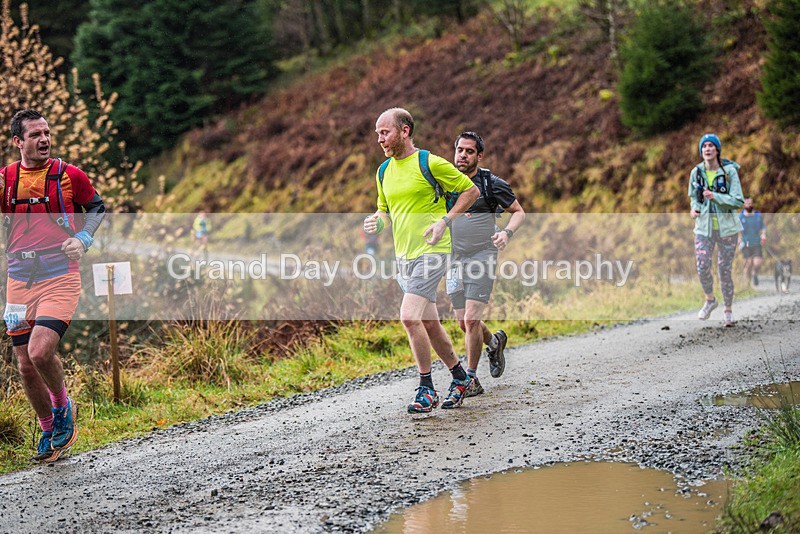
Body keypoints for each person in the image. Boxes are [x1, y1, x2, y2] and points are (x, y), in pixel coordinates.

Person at [1, 109, 106, 462]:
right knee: (24, 364)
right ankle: (48, 429)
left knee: (39, 351)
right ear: (18, 141)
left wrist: (83, 238)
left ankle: (63, 408)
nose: (44, 139)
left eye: (46, 132)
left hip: (60, 275)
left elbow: (97, 207)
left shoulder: (68, 174)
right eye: (35, 134)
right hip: (18, 279)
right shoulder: (6, 180)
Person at [363, 107, 479, 414]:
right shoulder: (383, 171)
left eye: (384, 132)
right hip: (405, 256)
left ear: (404, 131)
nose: (379, 139)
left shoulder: (430, 163)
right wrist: (376, 221)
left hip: (434, 251)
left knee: (409, 317)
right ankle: (460, 377)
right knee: (428, 322)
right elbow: (385, 210)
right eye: (377, 134)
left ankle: (426, 388)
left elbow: (470, 191)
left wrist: (444, 221)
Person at [448, 132, 525, 397]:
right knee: (464, 324)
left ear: (479, 156)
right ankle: (493, 343)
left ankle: (471, 379)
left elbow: (519, 212)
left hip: (483, 255)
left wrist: (507, 233)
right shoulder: (446, 181)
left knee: (471, 319)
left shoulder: (491, 184)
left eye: (469, 151)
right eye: (460, 150)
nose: (463, 155)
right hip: (454, 258)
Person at [689, 133, 744, 327]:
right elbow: (694, 197)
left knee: (724, 270)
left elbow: (738, 200)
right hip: (703, 228)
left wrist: (716, 197)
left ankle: (728, 310)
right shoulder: (696, 172)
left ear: (717, 149)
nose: (707, 149)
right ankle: (710, 300)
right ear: (701, 151)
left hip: (727, 228)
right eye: (704, 146)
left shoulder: (729, 172)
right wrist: (694, 209)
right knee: (702, 266)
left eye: (711, 145)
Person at [739, 197, 766, 287]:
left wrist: (763, 235)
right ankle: (747, 283)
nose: (749, 205)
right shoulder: (741, 217)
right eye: (747, 203)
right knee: (748, 262)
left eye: (750, 203)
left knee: (757, 263)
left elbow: (763, 227)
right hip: (746, 243)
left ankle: (754, 274)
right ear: (744, 205)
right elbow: (737, 229)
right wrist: (738, 239)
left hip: (757, 242)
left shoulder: (757, 215)